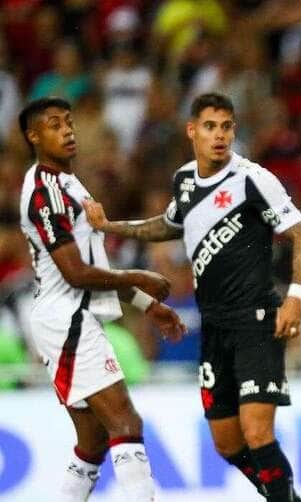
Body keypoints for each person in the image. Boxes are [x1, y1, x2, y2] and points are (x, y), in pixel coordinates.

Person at [83, 93, 301, 502]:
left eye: (226, 126)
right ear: (192, 131)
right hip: (215, 327)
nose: (219, 135)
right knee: (227, 444)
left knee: (258, 433)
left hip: (256, 321)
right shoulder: (185, 181)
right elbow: (169, 224)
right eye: (210, 126)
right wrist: (110, 226)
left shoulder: (252, 179)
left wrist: (295, 297)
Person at [17, 97, 187, 501]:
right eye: (55, 125)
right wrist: (140, 277)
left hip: (73, 317)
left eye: (69, 122)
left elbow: (93, 265)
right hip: (67, 320)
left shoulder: (71, 184)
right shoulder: (45, 191)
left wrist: (149, 305)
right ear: (34, 136)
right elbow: (75, 272)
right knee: (126, 424)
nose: (68, 131)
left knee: (92, 444)